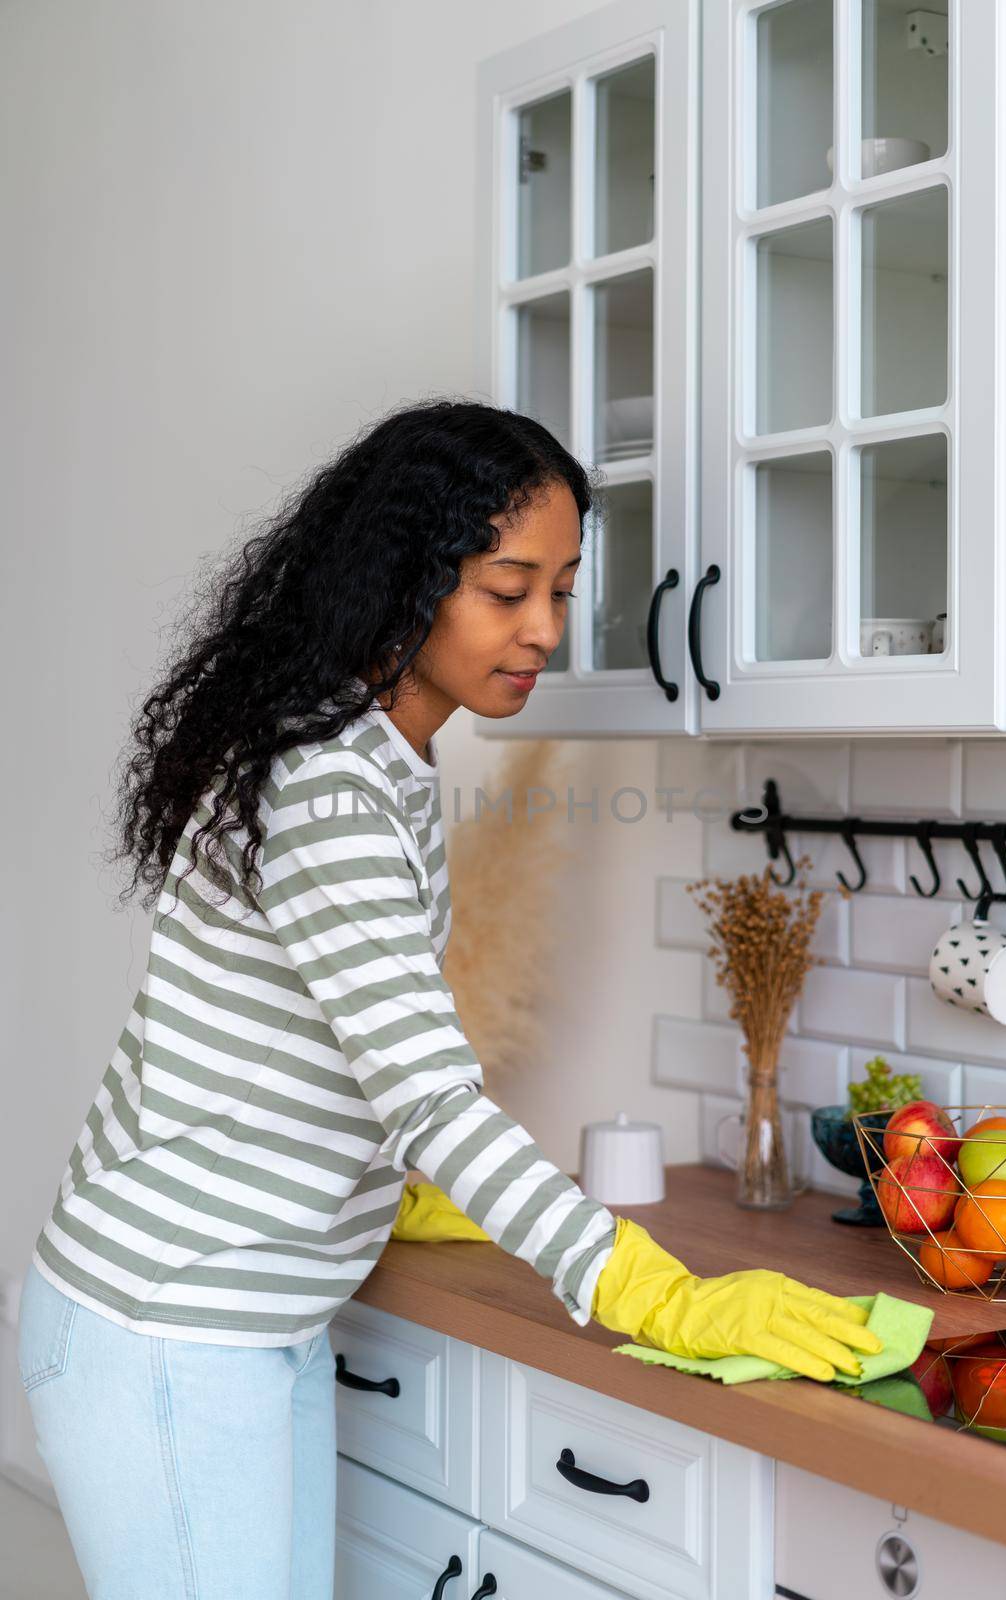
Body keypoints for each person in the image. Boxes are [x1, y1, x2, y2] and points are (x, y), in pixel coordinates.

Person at [17, 399, 880, 1599]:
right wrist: (650, 1289)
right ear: (407, 576)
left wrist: (385, 1188)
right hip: (171, 1322)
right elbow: (428, 1091)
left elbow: (322, 1037)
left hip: (249, 1318)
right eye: (505, 587)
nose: (542, 630)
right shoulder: (325, 784)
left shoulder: (380, 756)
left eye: (562, 590)